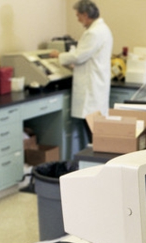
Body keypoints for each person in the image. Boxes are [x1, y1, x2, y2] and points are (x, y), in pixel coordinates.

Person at [50, 0, 112, 149]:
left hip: (91, 89)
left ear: (85, 15)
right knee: (96, 131)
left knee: (94, 132)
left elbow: (78, 57)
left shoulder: (93, 33)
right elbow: (85, 56)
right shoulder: (103, 29)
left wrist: (59, 56)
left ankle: (95, 159)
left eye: (78, 16)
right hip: (96, 84)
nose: (78, 19)